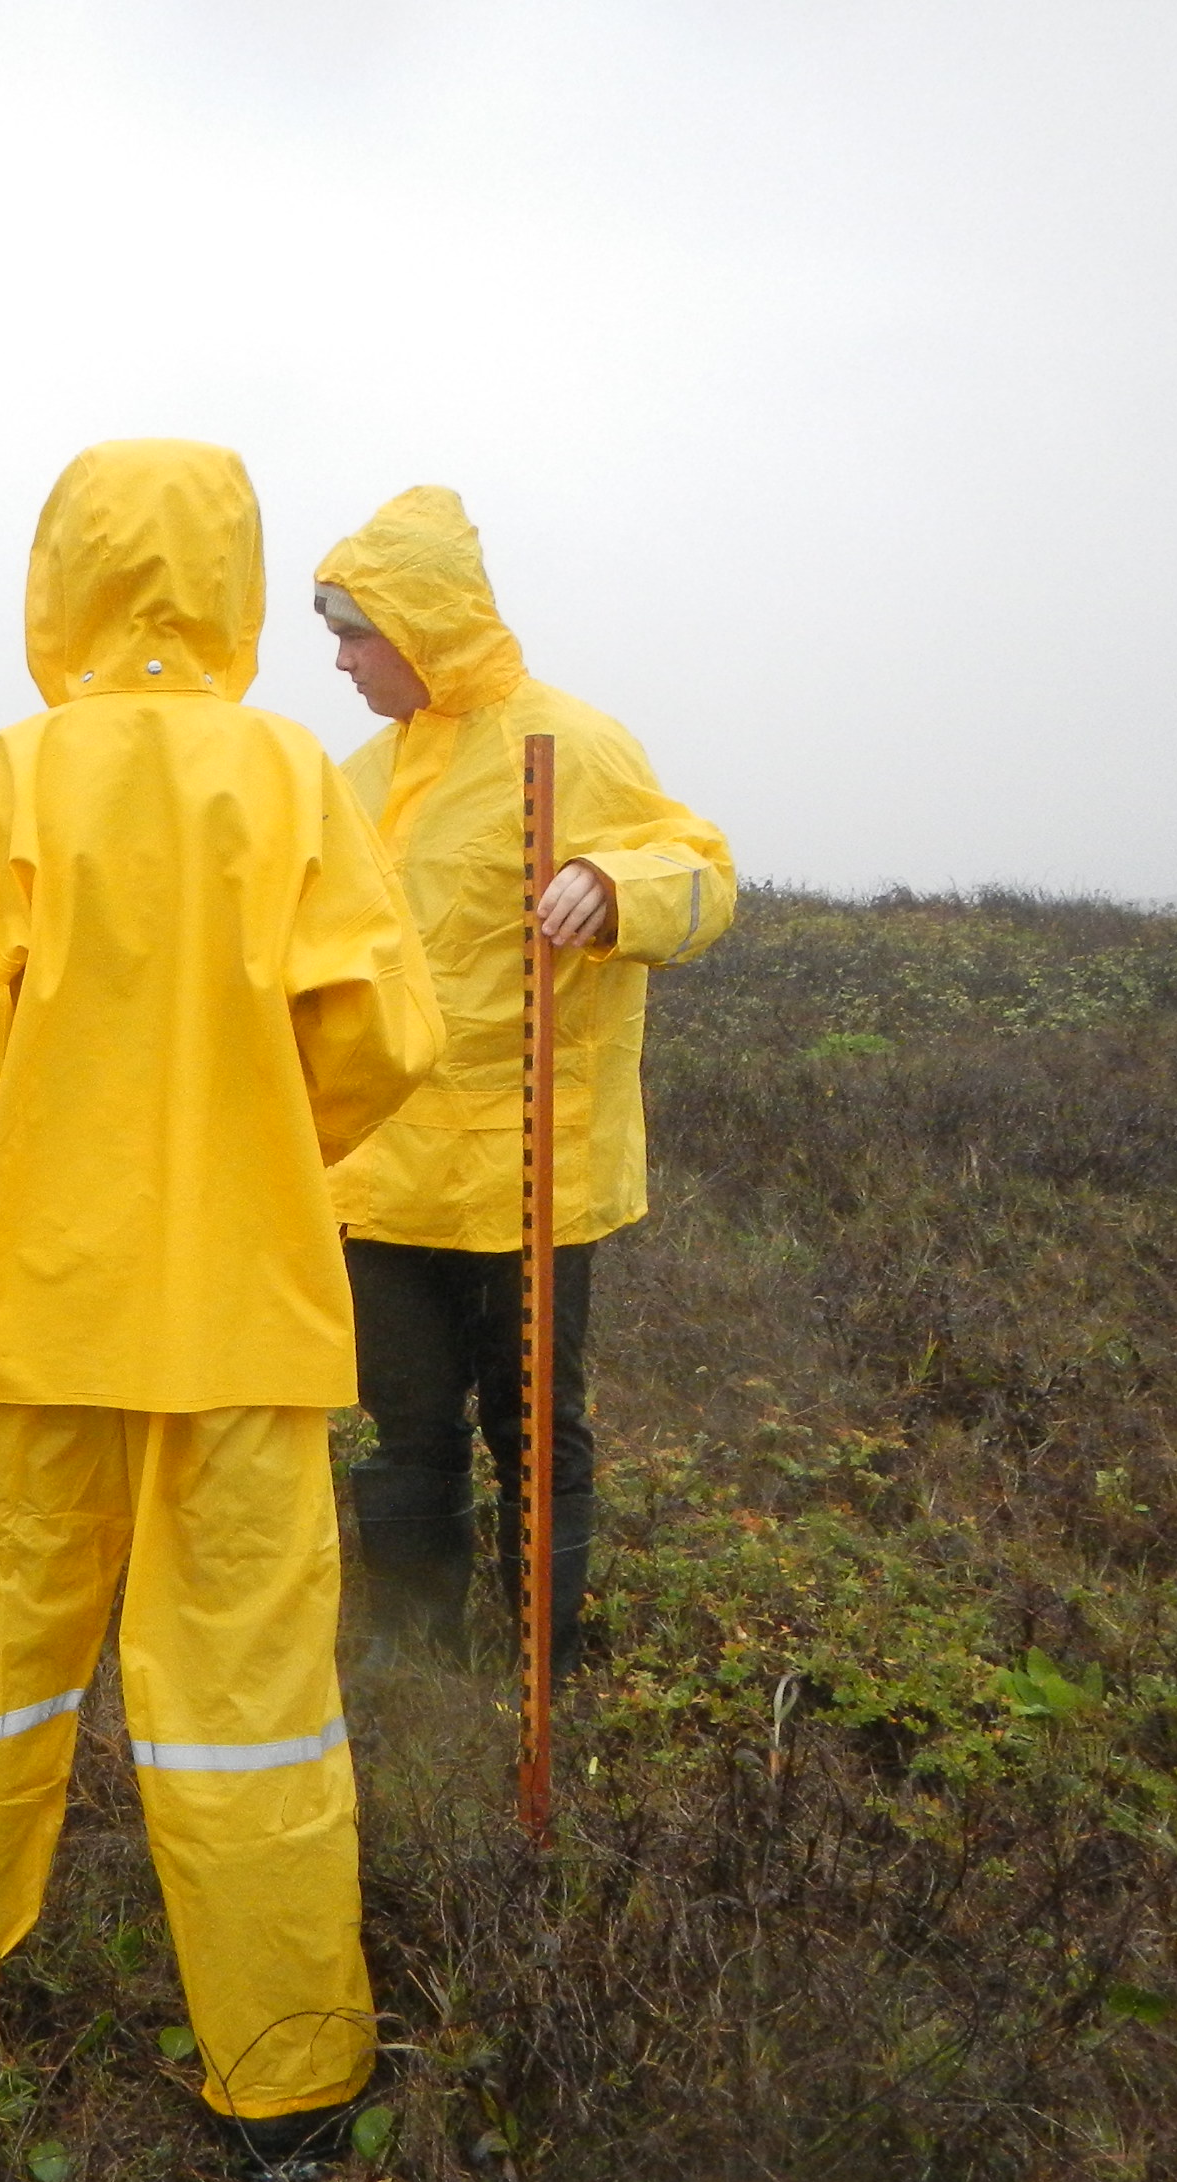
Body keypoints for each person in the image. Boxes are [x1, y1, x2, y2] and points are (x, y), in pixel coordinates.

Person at [0, 439, 443, 2174]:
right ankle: (289, 2084)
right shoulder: (289, 779)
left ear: (60, 572)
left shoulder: (4, 782)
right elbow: (385, 1035)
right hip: (242, 1326)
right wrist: (253, 1161)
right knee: (250, 1700)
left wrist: (1, 1198)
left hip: (28, 1321)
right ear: (235, 579)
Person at [312, 487, 736, 1670]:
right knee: (405, 1431)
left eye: (356, 633)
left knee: (537, 1431)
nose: (341, 662)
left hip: (531, 1170)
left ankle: (549, 1657)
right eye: (335, 635)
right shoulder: (355, 778)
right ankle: (419, 1661)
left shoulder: (573, 745)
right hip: (384, 1173)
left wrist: (615, 885)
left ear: (423, 628)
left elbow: (703, 873)